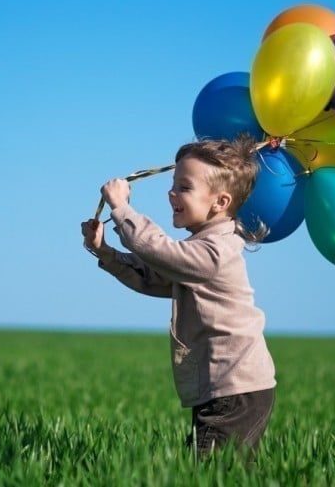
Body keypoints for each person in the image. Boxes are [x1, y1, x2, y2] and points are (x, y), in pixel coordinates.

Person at [80, 134, 276, 457]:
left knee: (211, 471)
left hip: (236, 389)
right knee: (223, 470)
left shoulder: (216, 252)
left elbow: (160, 251)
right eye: (174, 184)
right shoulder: (200, 251)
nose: (172, 193)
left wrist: (122, 208)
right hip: (227, 388)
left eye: (184, 187)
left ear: (221, 202)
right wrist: (106, 252)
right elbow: (154, 277)